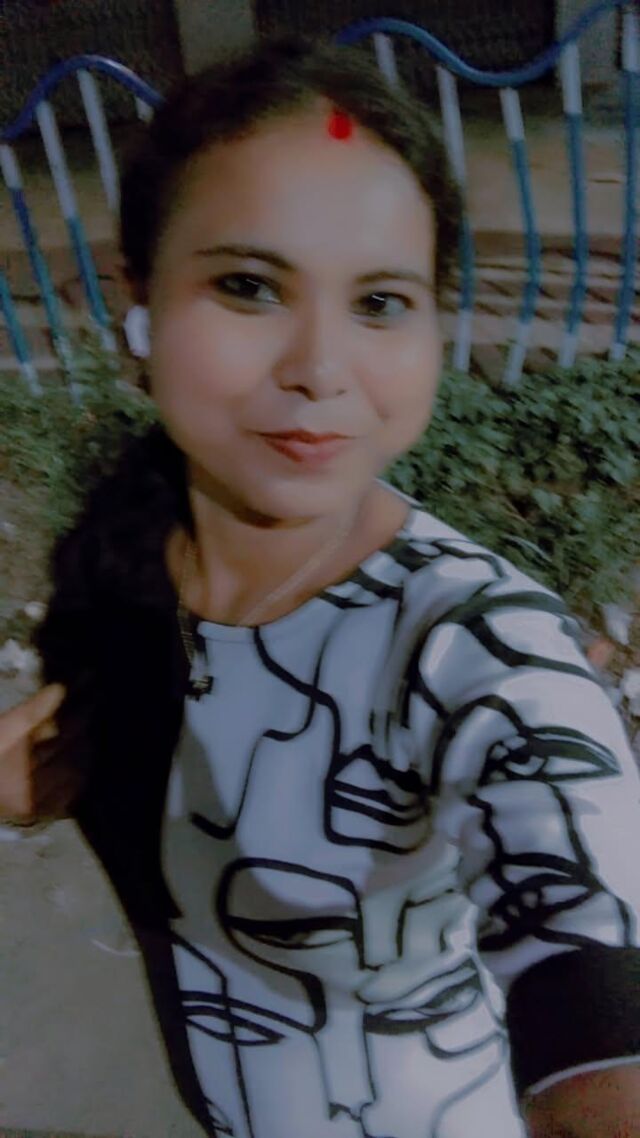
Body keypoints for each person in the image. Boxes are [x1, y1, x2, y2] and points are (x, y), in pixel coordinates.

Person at [1, 35, 639, 1138]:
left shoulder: (471, 647)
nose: (319, 368)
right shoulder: (130, 537)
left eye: (380, 302)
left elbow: (580, 932)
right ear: (136, 300)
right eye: (248, 286)